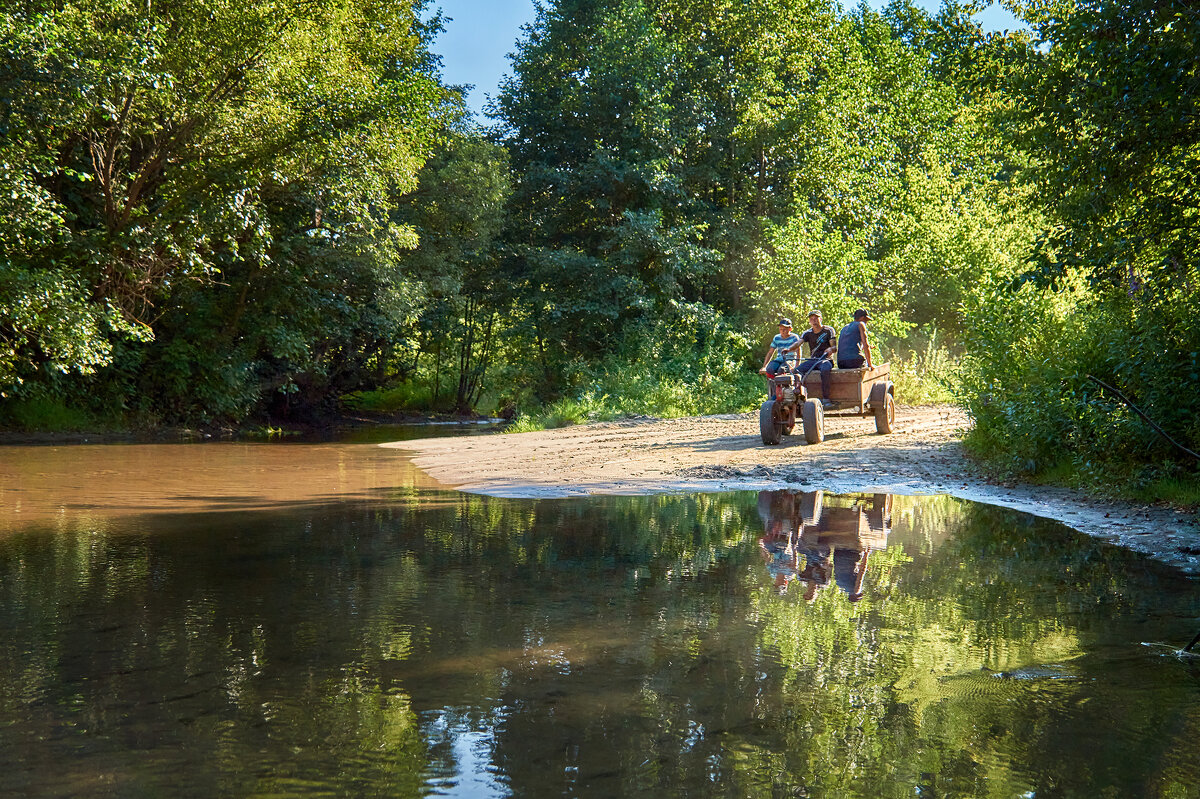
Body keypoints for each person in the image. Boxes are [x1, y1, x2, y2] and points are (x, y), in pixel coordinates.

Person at [799, 310, 836, 407]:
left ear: (821, 319)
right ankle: (800, 397)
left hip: (825, 360)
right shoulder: (807, 333)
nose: (814, 321)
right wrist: (789, 349)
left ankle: (826, 398)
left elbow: (835, 348)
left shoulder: (828, 330)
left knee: (825, 368)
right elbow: (798, 343)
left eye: (816, 318)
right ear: (809, 321)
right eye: (811, 319)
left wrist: (830, 349)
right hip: (814, 360)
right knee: (797, 371)